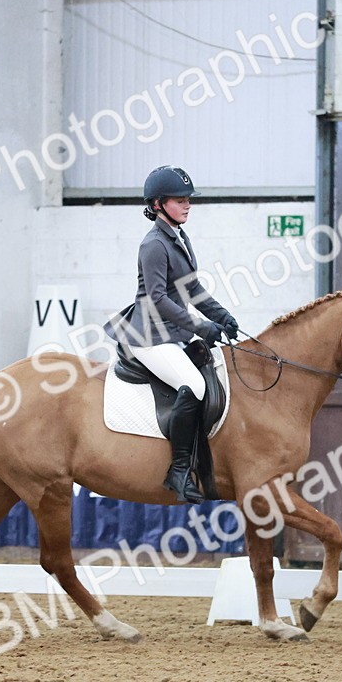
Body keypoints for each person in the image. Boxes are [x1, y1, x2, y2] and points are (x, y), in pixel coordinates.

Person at [104, 165, 240, 503]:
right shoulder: (153, 244)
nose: (187, 205)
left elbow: (191, 288)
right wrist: (201, 327)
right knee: (192, 385)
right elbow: (157, 299)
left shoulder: (179, 237)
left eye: (187, 199)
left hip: (173, 333)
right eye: (180, 200)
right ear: (159, 204)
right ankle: (178, 471)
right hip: (149, 337)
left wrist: (221, 316)